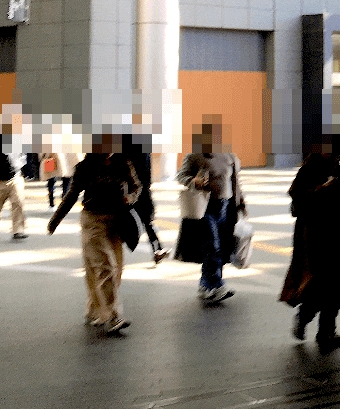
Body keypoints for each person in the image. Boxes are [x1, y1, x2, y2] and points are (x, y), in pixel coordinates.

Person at [47, 136, 141, 334]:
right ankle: (115, 316)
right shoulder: (84, 167)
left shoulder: (123, 162)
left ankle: (94, 310)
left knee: (113, 270)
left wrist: (130, 198)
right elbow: (72, 195)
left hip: (117, 220)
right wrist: (54, 221)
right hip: (93, 220)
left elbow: (137, 187)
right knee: (104, 266)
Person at [280, 138, 340, 352]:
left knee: (335, 284)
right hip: (313, 236)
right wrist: (320, 190)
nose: (335, 156)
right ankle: (304, 317)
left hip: (335, 236)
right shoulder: (308, 171)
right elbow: (296, 206)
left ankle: (327, 331)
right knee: (317, 282)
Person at [175, 123, 245, 304]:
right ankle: (218, 284)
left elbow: (236, 182)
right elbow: (181, 176)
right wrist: (194, 181)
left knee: (220, 247)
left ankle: (206, 286)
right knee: (212, 245)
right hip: (204, 207)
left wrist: (241, 203)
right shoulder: (195, 156)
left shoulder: (229, 155)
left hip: (226, 207)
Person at [122, 134, 168, 264]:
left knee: (146, 221)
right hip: (131, 191)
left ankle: (157, 248)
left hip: (138, 190)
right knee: (137, 221)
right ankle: (157, 248)